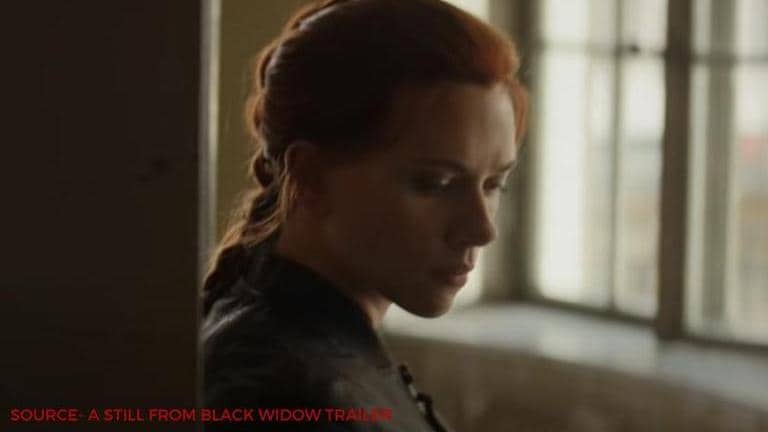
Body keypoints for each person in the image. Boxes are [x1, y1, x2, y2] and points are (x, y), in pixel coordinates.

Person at [200, 0, 528, 430]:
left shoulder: (300, 345)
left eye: (493, 184)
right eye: (435, 183)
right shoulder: (287, 396)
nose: (482, 229)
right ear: (310, 176)